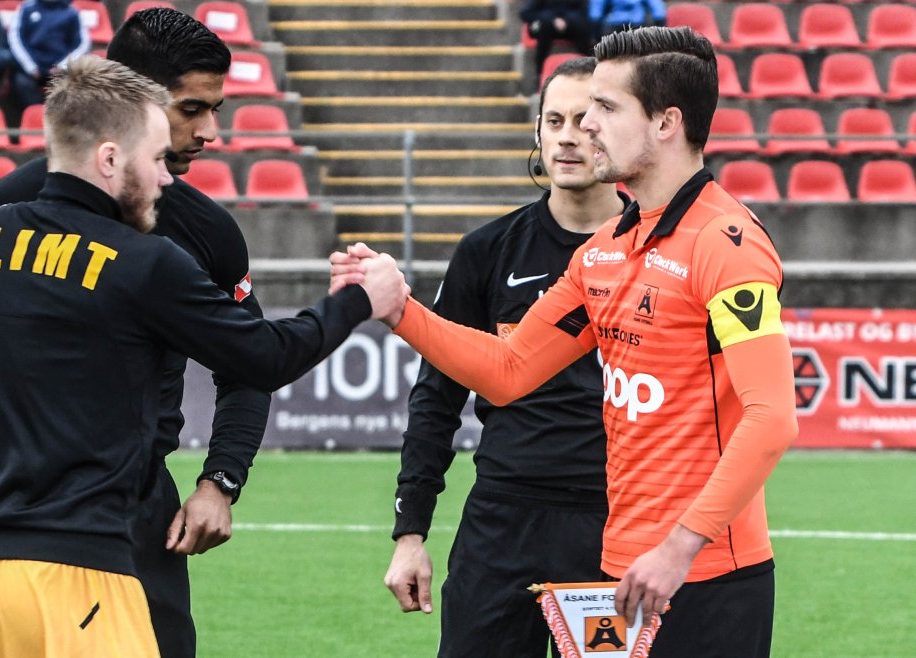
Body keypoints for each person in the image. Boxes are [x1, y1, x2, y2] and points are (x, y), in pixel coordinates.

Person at [0, 56, 408, 657]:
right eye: (156, 159)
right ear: (111, 159)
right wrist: (359, 300)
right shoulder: (143, 262)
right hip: (85, 575)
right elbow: (264, 357)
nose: (167, 179)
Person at [338, 26, 798, 657]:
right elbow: (508, 370)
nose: (587, 126)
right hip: (622, 563)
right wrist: (401, 311)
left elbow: (772, 418)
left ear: (666, 123)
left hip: (706, 575)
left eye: (605, 108)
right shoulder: (604, 251)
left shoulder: (727, 244)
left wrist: (679, 546)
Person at [0, 9, 270, 657]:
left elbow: (250, 364)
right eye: (192, 109)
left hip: (137, 512)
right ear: (132, 101)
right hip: (10, 511)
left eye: (215, 109)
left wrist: (221, 481)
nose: (210, 132)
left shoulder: (207, 232)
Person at [383, 57, 628, 658]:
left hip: (614, 526)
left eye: (585, 121)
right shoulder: (486, 251)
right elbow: (436, 397)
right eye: (554, 121)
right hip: (501, 522)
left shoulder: (662, 252)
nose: (568, 136)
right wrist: (411, 532)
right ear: (537, 132)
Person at [7, 0, 90, 107]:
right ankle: (36, 115)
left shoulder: (72, 12)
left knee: (79, 84)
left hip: (62, 70)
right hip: (32, 70)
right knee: (20, 82)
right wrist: (31, 68)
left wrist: (62, 67)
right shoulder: (25, 8)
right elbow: (15, 40)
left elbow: (82, 45)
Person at [519, 0, 594, 73]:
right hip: (545, 25)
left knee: (581, 25)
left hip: (571, 24)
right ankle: (540, 71)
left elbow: (584, 11)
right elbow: (525, 13)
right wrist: (552, 20)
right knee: (544, 26)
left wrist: (566, 20)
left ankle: (589, 66)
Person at [588, 0, 666, 39]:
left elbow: (595, 15)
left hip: (613, 25)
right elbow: (659, 13)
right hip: (638, 24)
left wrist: (596, 34)